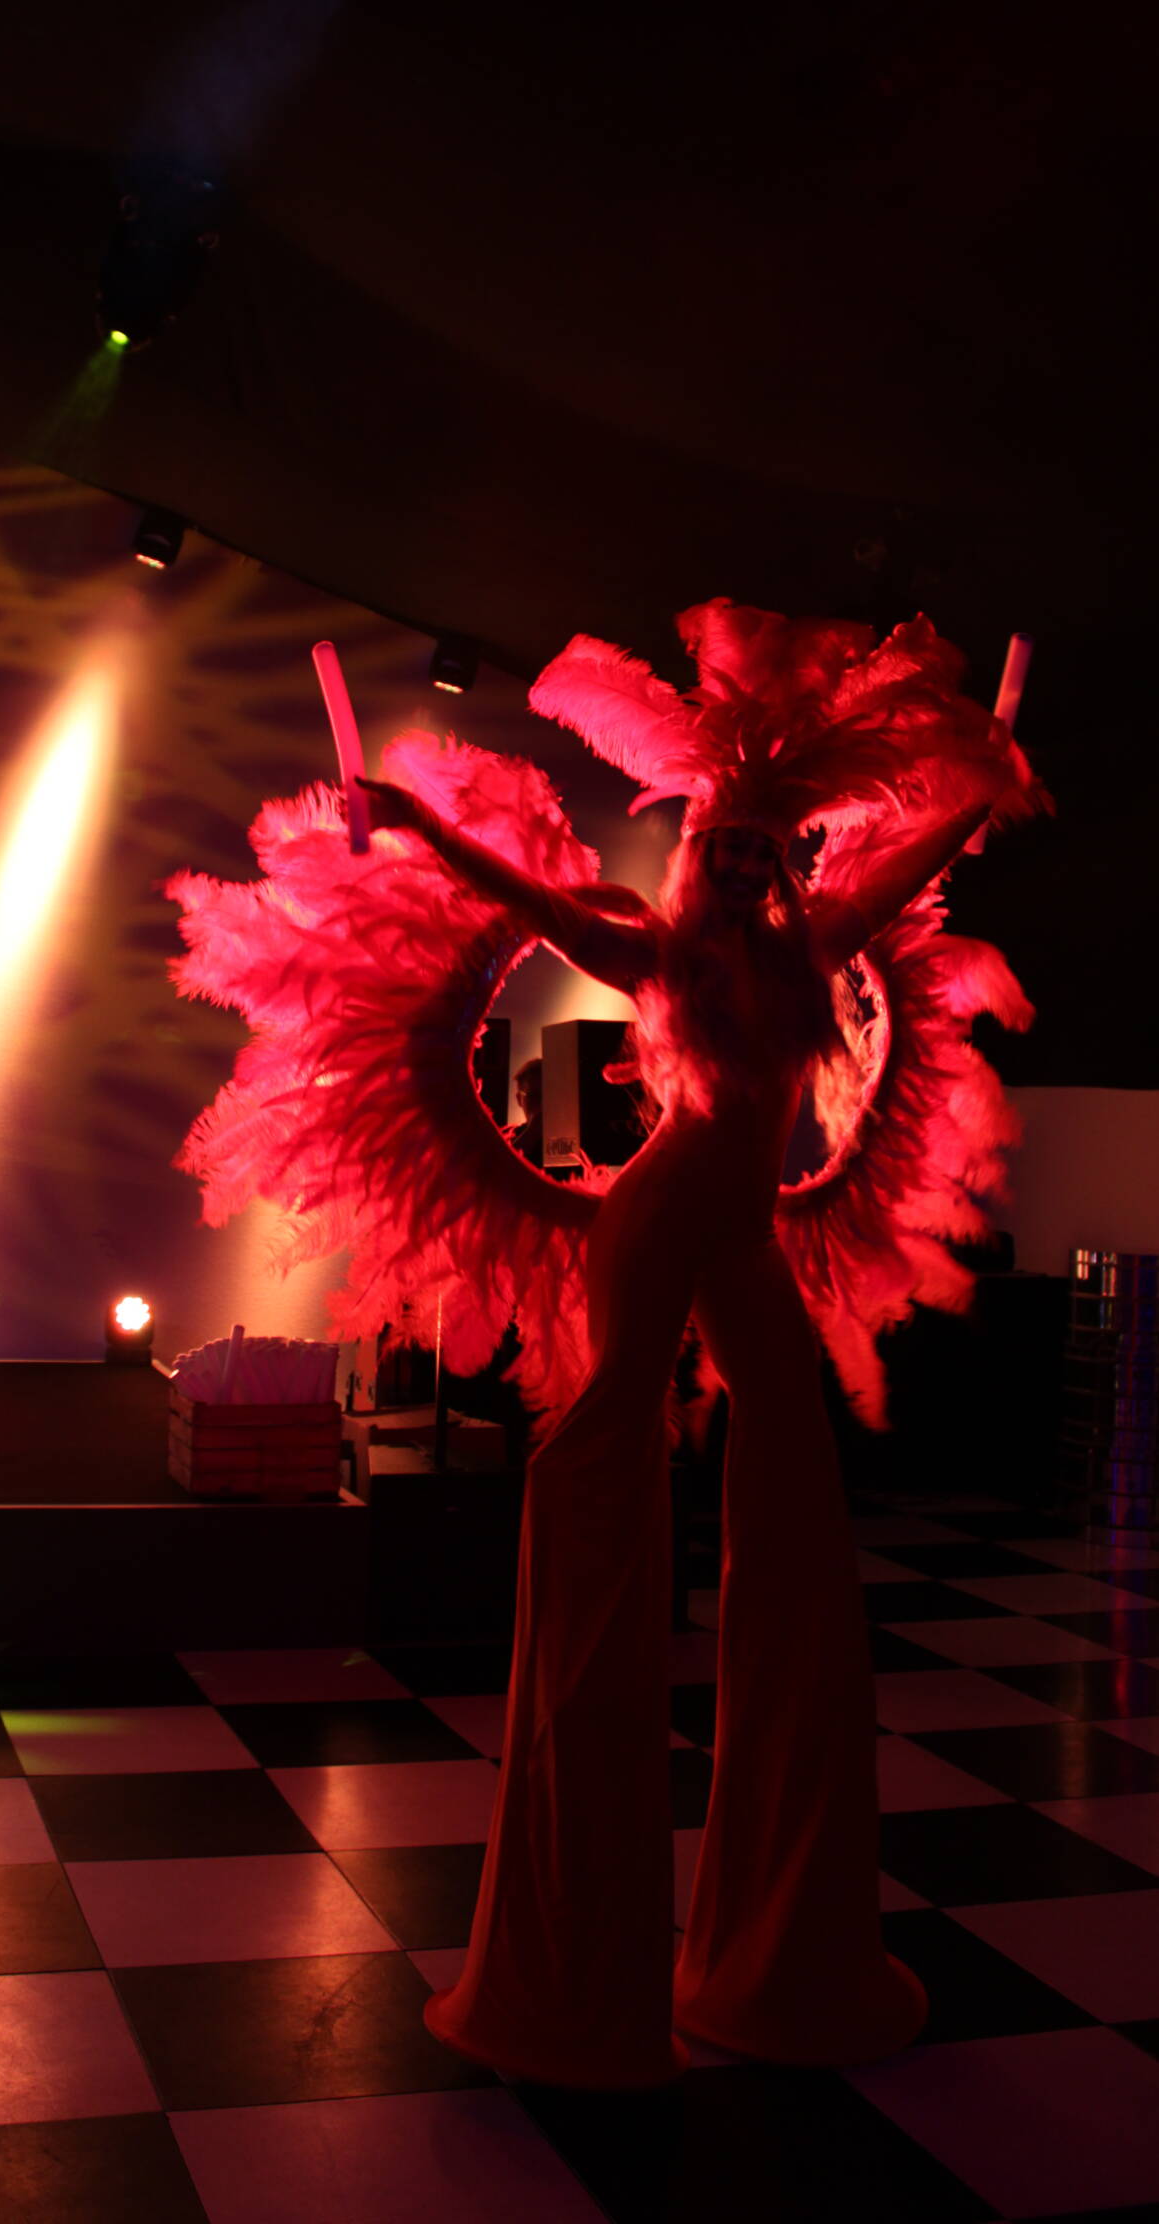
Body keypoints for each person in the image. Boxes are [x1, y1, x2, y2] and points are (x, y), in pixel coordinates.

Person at [354, 747, 1021, 2090]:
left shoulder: (808, 949)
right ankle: (574, 1896)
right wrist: (418, 818)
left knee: (793, 1455)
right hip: (658, 1219)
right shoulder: (654, 955)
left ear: (778, 863)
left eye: (765, 847)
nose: (748, 861)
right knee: (608, 1454)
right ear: (698, 851)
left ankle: (774, 1932)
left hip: (741, 1234)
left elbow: (900, 877)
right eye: (729, 843)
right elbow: (528, 898)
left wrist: (979, 793)